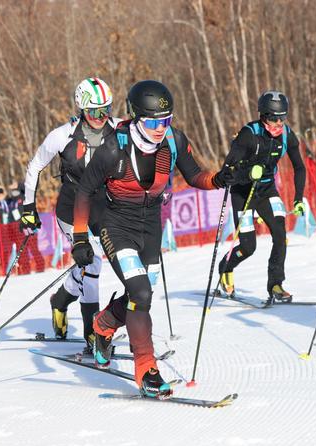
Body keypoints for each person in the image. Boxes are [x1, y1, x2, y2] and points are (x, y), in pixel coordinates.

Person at [72, 80, 230, 397]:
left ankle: (103, 324)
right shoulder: (112, 148)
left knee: (140, 295)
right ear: (136, 117)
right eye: (153, 121)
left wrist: (219, 179)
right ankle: (147, 369)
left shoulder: (173, 140)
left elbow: (196, 175)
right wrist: (79, 238)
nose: (160, 128)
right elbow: (85, 191)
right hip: (115, 224)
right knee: (141, 293)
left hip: (150, 226)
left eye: (166, 120)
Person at [21, 77, 120, 349]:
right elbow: (35, 166)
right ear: (81, 109)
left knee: (96, 262)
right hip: (71, 207)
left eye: (107, 110)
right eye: (95, 112)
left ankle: (60, 300)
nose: (102, 117)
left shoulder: (119, 128)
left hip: (103, 205)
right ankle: (92, 331)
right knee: (92, 263)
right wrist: (28, 208)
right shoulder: (62, 135)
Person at [217, 90, 307, 306]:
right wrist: (247, 173)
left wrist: (298, 198)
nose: (277, 124)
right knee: (248, 246)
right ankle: (225, 267)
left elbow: (300, 168)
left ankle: (276, 284)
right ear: (262, 116)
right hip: (243, 192)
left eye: (281, 118)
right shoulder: (249, 135)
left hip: (266, 191)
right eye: (272, 118)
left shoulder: (287, 135)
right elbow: (226, 172)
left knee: (280, 232)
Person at [7, 182, 45, 274]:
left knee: (33, 249)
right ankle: (26, 270)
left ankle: (40, 267)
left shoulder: (24, 198)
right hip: (18, 230)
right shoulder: (11, 202)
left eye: (15, 188)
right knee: (22, 251)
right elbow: (11, 217)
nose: (13, 191)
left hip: (29, 227)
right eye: (11, 189)